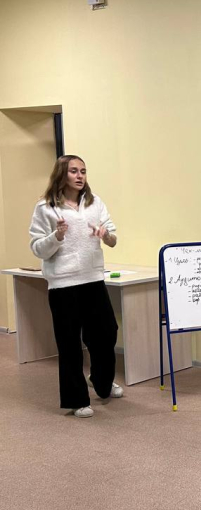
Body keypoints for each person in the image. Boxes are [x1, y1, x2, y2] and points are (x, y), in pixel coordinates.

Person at [29, 155, 122, 418]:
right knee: (69, 343)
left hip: (93, 279)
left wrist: (105, 234)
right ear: (62, 174)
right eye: (73, 171)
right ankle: (76, 399)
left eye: (83, 171)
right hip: (63, 284)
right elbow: (37, 248)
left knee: (106, 333)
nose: (80, 176)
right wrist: (56, 236)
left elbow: (113, 239)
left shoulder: (95, 202)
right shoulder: (45, 208)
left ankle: (101, 381)